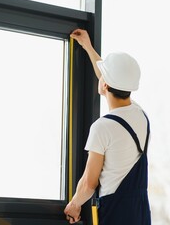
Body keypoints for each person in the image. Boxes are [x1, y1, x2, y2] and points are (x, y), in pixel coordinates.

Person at [64, 28, 151, 225]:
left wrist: (75, 204)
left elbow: (89, 182)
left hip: (115, 214)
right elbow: (113, 79)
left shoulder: (102, 128)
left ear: (104, 85)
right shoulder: (141, 116)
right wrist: (87, 46)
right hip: (140, 214)